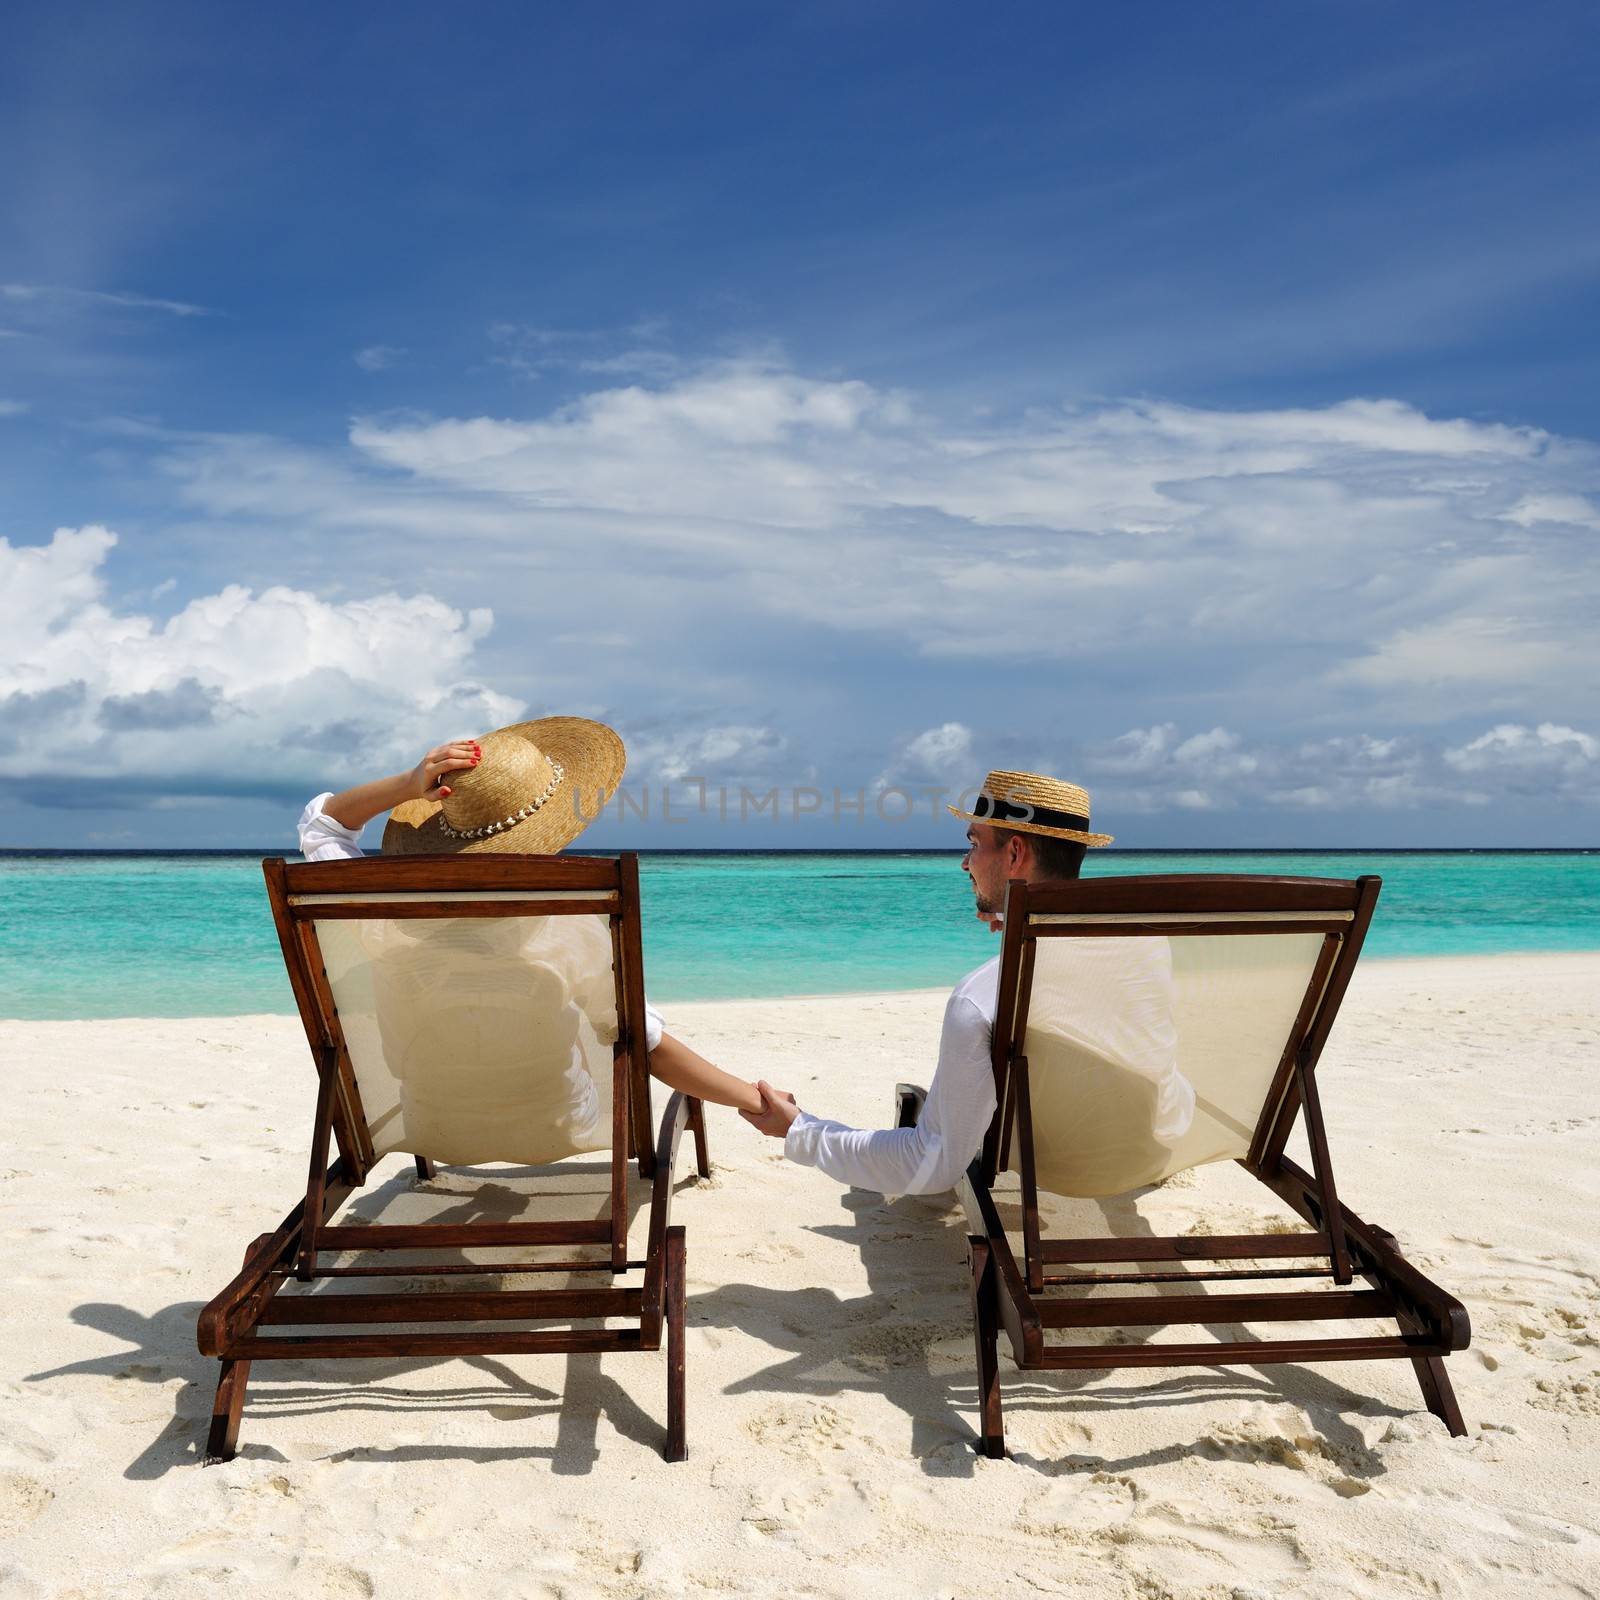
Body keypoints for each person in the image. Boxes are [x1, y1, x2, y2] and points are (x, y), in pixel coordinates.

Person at [740, 769, 1195, 1194]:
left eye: (975, 844)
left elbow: (928, 1164)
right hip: (1145, 1154)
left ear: (1015, 853)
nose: (964, 862)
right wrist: (1015, 918)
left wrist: (799, 1129)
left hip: (1053, 1169)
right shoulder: (1148, 948)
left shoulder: (981, 998)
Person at [299, 717, 764, 1119]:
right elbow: (644, 1043)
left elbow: (322, 825)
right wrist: (756, 1101)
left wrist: (408, 783)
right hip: (559, 1122)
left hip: (430, 1118)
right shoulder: (570, 928)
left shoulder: (380, 922)